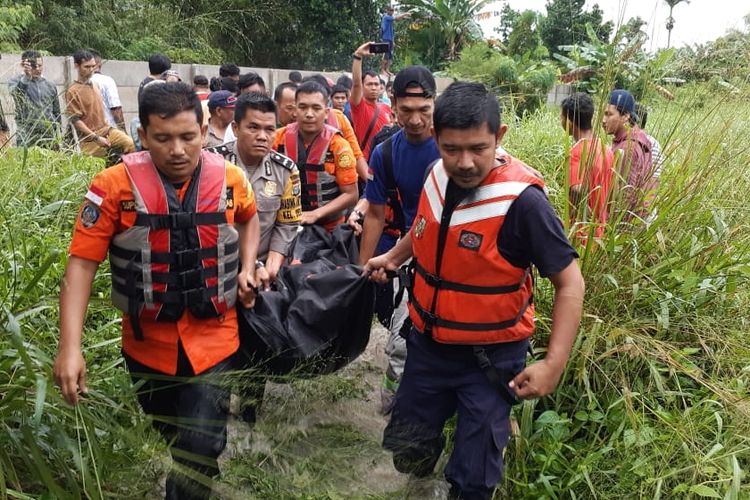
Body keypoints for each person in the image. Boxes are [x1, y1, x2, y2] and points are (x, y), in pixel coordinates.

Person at [364, 81, 584, 500]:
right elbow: (427, 227)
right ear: (435, 139)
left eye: (478, 148)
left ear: (499, 137)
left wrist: (553, 364)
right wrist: (393, 257)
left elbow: (570, 281)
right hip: (428, 344)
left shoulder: (524, 202)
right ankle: (425, 476)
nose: (464, 162)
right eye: (451, 149)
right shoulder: (436, 173)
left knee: (473, 480)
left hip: (490, 359)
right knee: (408, 450)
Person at [53, 81, 261, 499]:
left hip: (216, 342)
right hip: (147, 347)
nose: (178, 150)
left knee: (199, 449)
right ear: (143, 136)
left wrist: (246, 266)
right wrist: (69, 347)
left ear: (204, 131)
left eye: (188, 137)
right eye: (163, 139)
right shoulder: (113, 187)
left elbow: (249, 219)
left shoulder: (232, 179)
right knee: (174, 438)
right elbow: (81, 265)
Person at [348, 66, 440, 415]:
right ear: (394, 105)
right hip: (411, 250)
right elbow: (374, 212)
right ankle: (392, 408)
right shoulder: (385, 153)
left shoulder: (453, 146)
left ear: (434, 105)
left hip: (456, 253)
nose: (416, 120)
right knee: (400, 340)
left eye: (424, 111)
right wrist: (363, 266)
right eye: (407, 111)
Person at [207, 92, 301, 424]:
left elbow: (288, 225)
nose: (262, 136)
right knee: (215, 341)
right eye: (253, 127)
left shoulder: (286, 171)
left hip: (259, 273)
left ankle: (248, 408)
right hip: (213, 268)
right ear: (235, 126)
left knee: (256, 341)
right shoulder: (209, 164)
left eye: (269, 129)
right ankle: (212, 408)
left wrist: (270, 268)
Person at [272, 81, 358, 232]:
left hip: (329, 230)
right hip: (284, 227)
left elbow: (351, 195)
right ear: (295, 110)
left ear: (326, 113)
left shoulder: (339, 146)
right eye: (303, 107)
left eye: (316, 108)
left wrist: (315, 214)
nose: (309, 114)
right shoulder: (277, 139)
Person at [560, 92, 614, 240]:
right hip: (599, 231)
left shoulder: (576, 152)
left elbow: (577, 190)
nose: (561, 120)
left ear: (570, 122)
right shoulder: (605, 148)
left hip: (581, 235)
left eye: (562, 117)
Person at [66, 49, 135, 159]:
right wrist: (96, 138)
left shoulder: (96, 85)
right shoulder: (72, 91)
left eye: (93, 66)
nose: (91, 70)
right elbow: (76, 121)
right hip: (89, 141)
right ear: (76, 66)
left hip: (108, 131)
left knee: (131, 145)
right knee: (98, 168)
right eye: (87, 67)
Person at [602, 89, 654, 218]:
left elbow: (626, 196)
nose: (603, 120)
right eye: (603, 114)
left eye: (609, 115)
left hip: (624, 224)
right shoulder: (635, 139)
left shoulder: (628, 148)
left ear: (625, 116)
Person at [8, 49, 61, 148]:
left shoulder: (50, 84)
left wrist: (58, 133)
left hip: (48, 135)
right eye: (34, 65)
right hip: (27, 136)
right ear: (23, 65)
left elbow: (56, 112)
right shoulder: (16, 81)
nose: (37, 69)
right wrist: (27, 77)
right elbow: (17, 94)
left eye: (40, 65)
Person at [350, 42, 394, 160]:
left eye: (376, 84)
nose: (374, 87)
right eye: (369, 84)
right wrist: (358, 56)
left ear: (381, 86)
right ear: (363, 86)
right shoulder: (359, 106)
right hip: (367, 161)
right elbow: (356, 84)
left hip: (386, 160)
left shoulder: (386, 108)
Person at [89, 50, 125, 131]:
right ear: (100, 64)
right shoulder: (107, 81)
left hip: (89, 134)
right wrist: (123, 131)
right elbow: (116, 109)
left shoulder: (79, 85)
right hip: (109, 132)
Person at [380, 6, 411, 76]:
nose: (392, 12)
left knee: (390, 55)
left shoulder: (390, 20)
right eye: (390, 10)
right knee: (385, 54)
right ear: (387, 10)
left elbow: (392, 31)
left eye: (393, 10)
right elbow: (397, 18)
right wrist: (405, 13)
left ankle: (387, 70)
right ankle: (382, 70)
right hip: (385, 38)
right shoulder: (386, 17)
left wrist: (393, 41)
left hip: (390, 39)